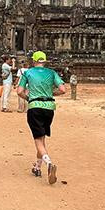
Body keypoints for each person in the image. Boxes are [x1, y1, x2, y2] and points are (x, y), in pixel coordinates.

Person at [17, 51, 67, 185]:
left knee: (38, 140)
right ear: (44, 61)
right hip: (49, 108)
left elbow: (19, 91)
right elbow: (63, 89)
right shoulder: (51, 73)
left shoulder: (27, 73)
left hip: (35, 107)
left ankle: (49, 164)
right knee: (42, 138)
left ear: (33, 61)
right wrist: (51, 93)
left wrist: (29, 98)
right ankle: (37, 167)